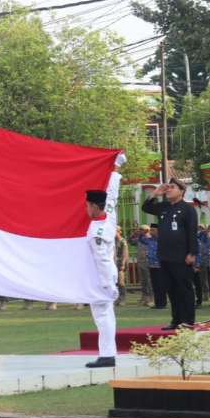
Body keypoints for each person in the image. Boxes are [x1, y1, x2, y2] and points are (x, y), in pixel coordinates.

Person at [84, 156, 125, 368]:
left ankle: (107, 354)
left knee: (102, 315)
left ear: (93, 206)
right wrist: (115, 168)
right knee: (105, 314)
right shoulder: (108, 215)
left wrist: (109, 285)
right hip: (107, 274)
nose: (85, 209)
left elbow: (101, 260)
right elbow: (112, 195)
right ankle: (107, 353)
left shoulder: (97, 232)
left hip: (102, 277)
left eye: (87, 205)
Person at [142, 178, 199, 329]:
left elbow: (192, 232)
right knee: (171, 289)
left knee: (184, 288)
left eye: (172, 187)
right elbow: (146, 207)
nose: (168, 189)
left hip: (182, 256)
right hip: (165, 255)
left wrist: (192, 252)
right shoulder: (164, 207)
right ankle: (176, 320)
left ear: (181, 191)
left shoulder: (188, 209)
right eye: (168, 187)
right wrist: (156, 192)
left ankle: (187, 321)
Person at [140, 224, 165, 308]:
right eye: (150, 230)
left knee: (160, 285)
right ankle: (158, 303)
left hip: (160, 265)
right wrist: (142, 232)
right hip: (151, 265)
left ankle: (162, 303)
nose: (151, 232)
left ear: (158, 231)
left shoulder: (162, 240)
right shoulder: (149, 240)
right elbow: (141, 239)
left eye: (153, 230)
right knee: (155, 285)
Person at [130, 226, 153, 306]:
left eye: (141, 230)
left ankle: (151, 298)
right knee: (143, 281)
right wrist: (133, 234)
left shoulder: (149, 238)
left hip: (148, 262)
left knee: (149, 281)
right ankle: (144, 297)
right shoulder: (140, 239)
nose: (139, 231)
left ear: (147, 230)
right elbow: (130, 241)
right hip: (141, 262)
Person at [114, 226, 129, 306]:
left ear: (119, 232)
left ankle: (123, 299)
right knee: (115, 282)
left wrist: (123, 264)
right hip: (114, 264)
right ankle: (118, 298)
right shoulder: (113, 241)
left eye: (115, 231)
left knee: (121, 282)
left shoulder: (122, 241)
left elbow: (125, 254)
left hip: (120, 264)